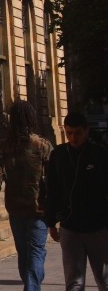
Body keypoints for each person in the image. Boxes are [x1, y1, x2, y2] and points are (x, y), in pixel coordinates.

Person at [0, 99, 54, 291]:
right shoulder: (43, 145)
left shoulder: (3, 147)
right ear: (31, 119)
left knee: (25, 254)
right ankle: (32, 287)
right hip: (38, 208)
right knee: (35, 252)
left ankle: (31, 287)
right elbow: (52, 180)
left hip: (15, 207)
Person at [45, 111, 108, 291]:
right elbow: (52, 190)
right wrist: (51, 222)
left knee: (104, 280)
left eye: (78, 133)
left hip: (97, 226)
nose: (73, 138)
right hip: (70, 227)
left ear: (86, 131)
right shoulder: (58, 155)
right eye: (69, 133)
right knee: (74, 282)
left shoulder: (99, 154)